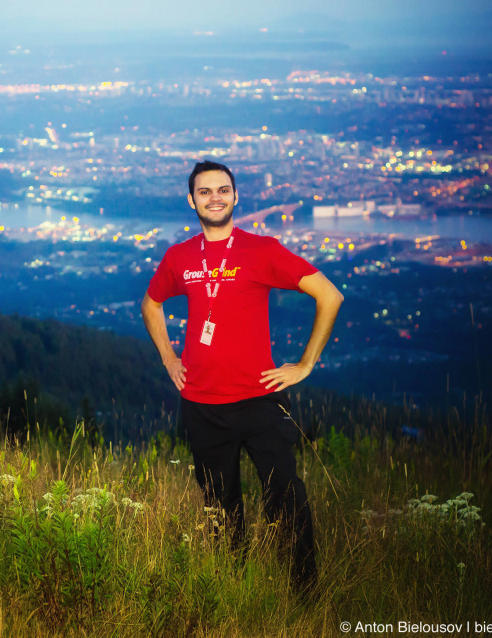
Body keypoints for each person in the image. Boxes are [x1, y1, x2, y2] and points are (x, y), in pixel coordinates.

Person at [141, 160, 343, 596]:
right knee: (221, 508)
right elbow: (151, 303)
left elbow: (329, 295)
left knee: (287, 498)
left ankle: (305, 594)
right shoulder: (179, 257)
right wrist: (168, 358)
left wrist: (306, 364)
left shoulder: (262, 250)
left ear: (236, 196)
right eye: (205, 191)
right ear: (191, 200)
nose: (215, 197)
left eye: (223, 189)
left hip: (260, 401)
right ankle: (235, 590)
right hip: (202, 404)